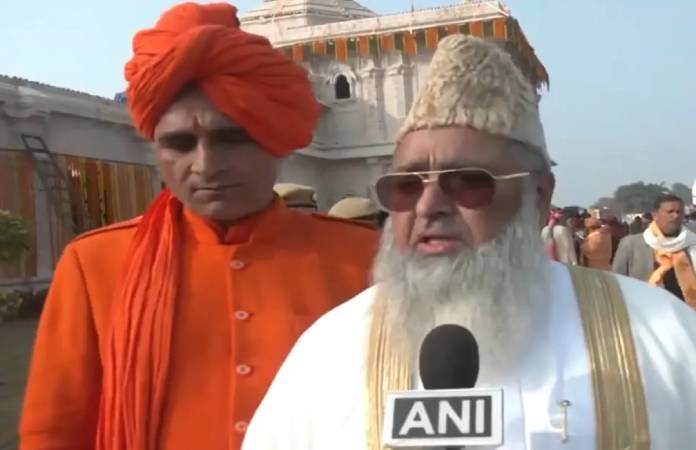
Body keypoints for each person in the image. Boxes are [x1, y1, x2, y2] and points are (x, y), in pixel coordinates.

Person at [242, 35, 696, 450]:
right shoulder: (331, 353)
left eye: (467, 182)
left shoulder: (660, 335)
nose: (428, 206)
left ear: (539, 197)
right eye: (406, 187)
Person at [19, 3, 377, 450]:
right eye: (180, 144)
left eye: (232, 138)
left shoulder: (362, 260)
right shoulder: (94, 264)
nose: (206, 165)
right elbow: (53, 432)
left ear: (275, 140)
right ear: (157, 151)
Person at [613, 193, 696, 307]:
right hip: (645, 309)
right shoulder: (631, 244)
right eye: (670, 212)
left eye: (679, 212)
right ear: (655, 215)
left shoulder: (691, 242)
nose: (675, 216)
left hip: (688, 311)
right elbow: (616, 282)